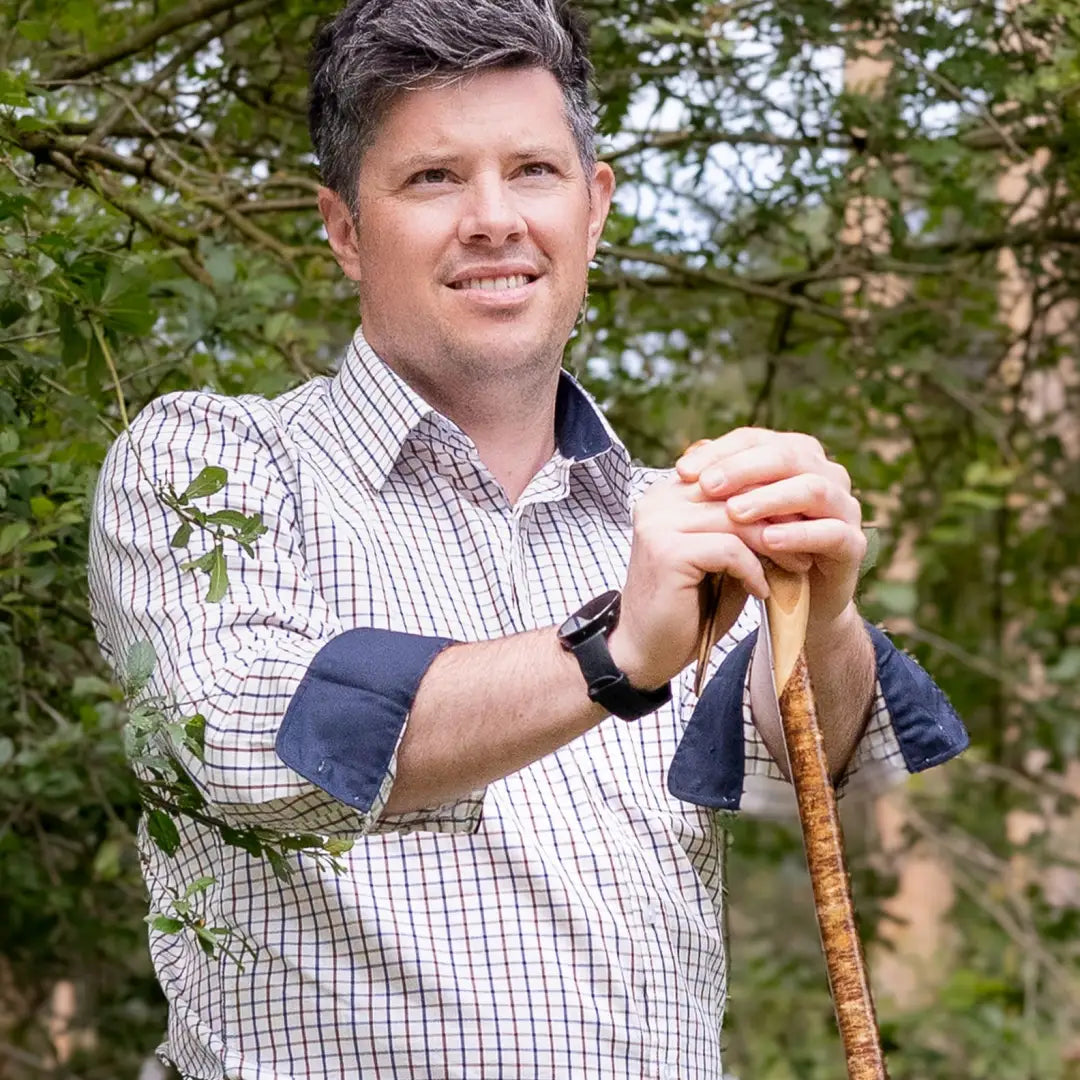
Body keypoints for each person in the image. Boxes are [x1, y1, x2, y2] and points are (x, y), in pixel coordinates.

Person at [88, 0, 968, 1076]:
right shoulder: (214, 464)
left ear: (593, 208)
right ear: (343, 228)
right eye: (433, 178)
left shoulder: (670, 516)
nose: (493, 218)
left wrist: (819, 611)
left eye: (534, 172)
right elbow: (238, 741)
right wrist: (610, 658)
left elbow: (805, 770)